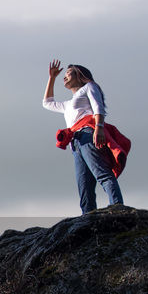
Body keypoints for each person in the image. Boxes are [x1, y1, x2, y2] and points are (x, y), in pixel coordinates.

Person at [42, 59, 124, 214]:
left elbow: (98, 107)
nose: (64, 76)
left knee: (102, 174)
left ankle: (118, 208)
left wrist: (98, 128)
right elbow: (47, 102)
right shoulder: (68, 103)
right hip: (76, 142)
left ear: (79, 75)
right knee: (84, 185)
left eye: (68, 73)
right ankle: (88, 217)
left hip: (88, 135)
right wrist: (51, 78)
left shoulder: (89, 87)